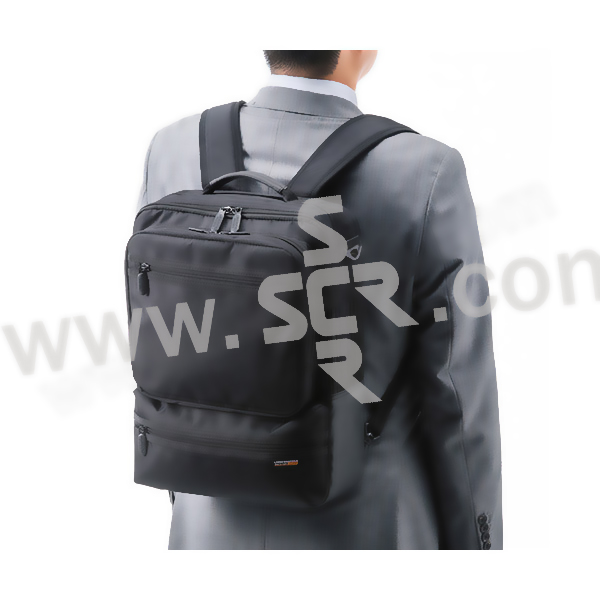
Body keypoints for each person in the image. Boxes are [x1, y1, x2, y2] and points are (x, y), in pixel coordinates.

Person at [136, 50, 503, 550]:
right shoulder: (425, 169)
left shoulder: (173, 147)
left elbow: (164, 340)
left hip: (203, 530)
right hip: (371, 530)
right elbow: (458, 392)